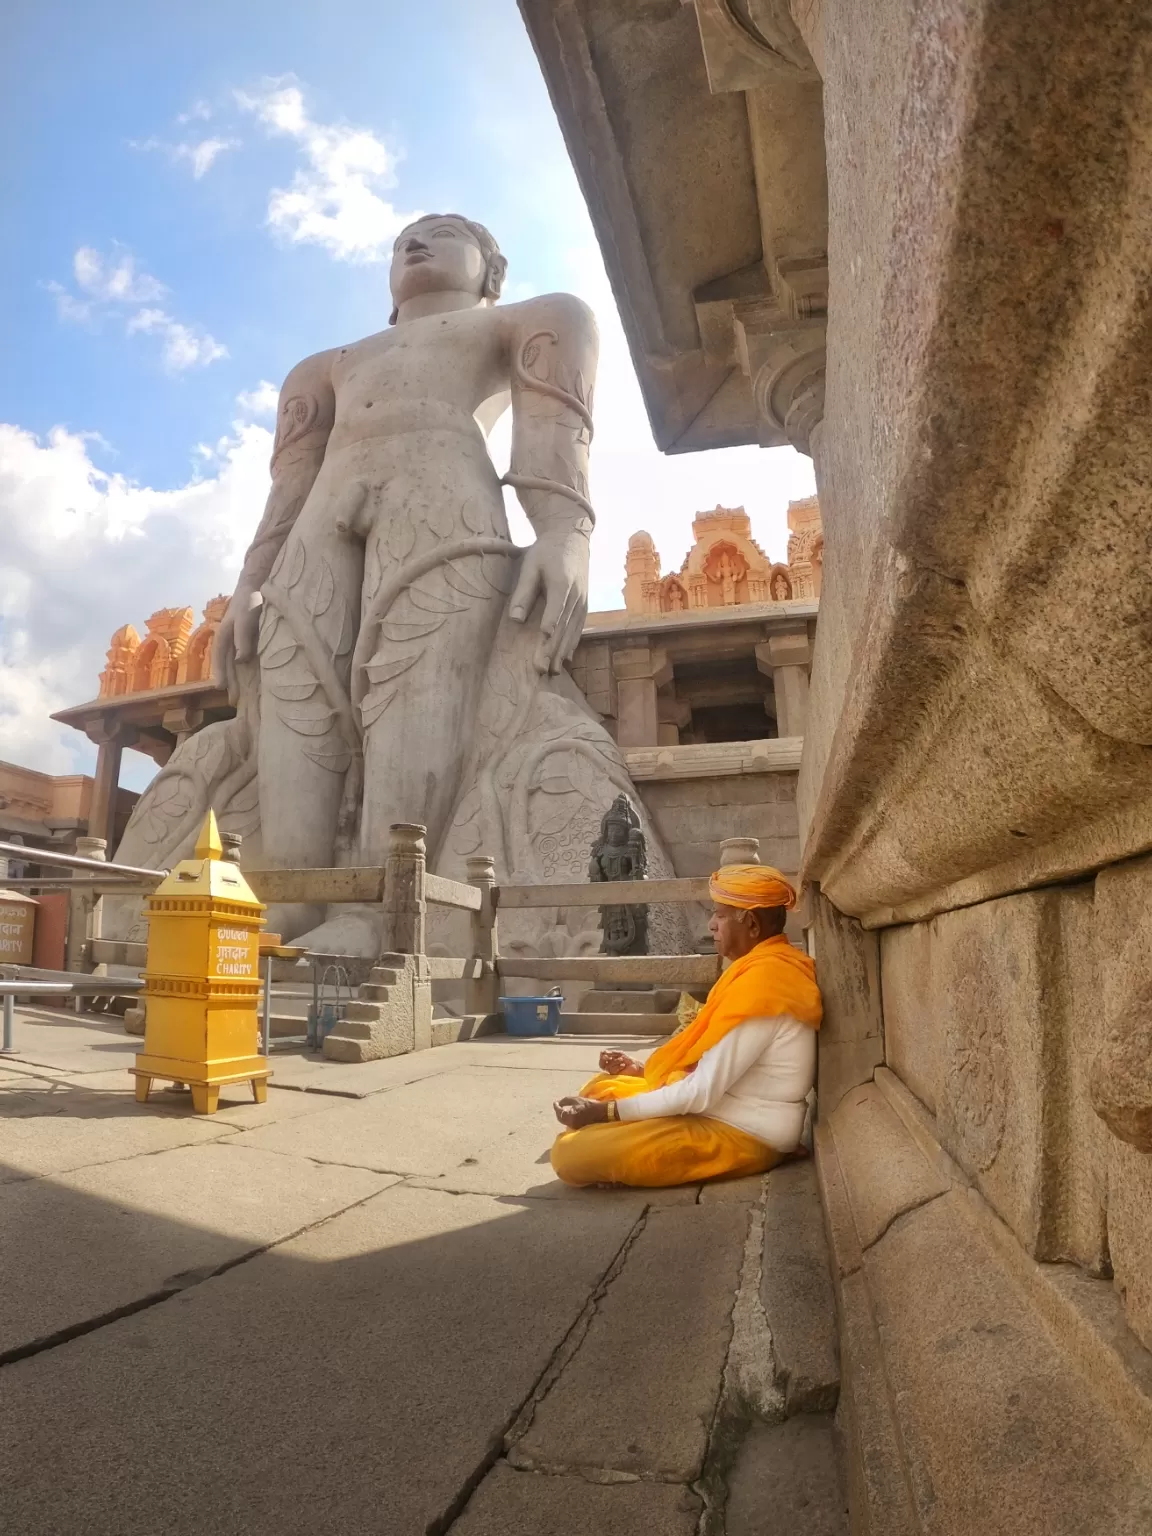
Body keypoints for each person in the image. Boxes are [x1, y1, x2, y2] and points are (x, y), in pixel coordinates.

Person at [550, 864, 821, 1188]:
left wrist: (603, 1114)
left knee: (570, 1155)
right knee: (602, 1088)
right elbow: (711, 1063)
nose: (711, 925)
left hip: (747, 1131)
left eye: (720, 915)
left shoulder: (767, 983)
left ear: (749, 923)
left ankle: (762, 1156)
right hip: (724, 1106)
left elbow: (700, 1092)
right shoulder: (761, 968)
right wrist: (639, 1071)